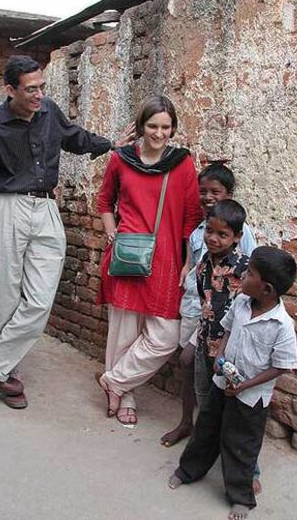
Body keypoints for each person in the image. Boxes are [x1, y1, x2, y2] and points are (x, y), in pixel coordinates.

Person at [0, 54, 135, 409]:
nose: (39, 94)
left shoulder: (49, 113)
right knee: (8, 294)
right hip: (7, 206)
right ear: (10, 90)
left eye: (42, 86)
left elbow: (75, 137)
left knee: (41, 298)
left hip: (46, 208)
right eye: (31, 89)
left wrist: (111, 145)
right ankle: (3, 372)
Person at [168, 246, 297, 520]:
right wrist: (220, 353)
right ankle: (188, 470)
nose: (243, 275)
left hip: (251, 398)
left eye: (249, 273)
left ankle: (240, 497)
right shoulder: (240, 301)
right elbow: (228, 328)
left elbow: (281, 366)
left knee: (241, 444)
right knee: (206, 429)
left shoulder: (281, 325)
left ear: (266, 289)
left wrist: (247, 384)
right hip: (221, 383)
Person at [95, 95, 201, 426]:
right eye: (152, 126)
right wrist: (112, 234)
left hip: (168, 260)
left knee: (166, 336)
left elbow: (191, 216)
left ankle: (114, 380)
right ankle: (126, 397)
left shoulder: (182, 163)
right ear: (141, 127)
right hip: (127, 255)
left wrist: (186, 261)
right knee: (123, 331)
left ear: (173, 128)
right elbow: (104, 201)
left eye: (166, 127)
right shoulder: (120, 159)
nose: (159, 133)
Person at [161, 163, 256, 448]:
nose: (208, 196)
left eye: (216, 191)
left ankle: (220, 439)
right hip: (198, 309)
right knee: (189, 363)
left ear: (229, 194)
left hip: (226, 320)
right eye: (203, 191)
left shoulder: (242, 232)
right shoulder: (199, 231)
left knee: (220, 374)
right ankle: (188, 423)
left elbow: (248, 273)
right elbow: (196, 266)